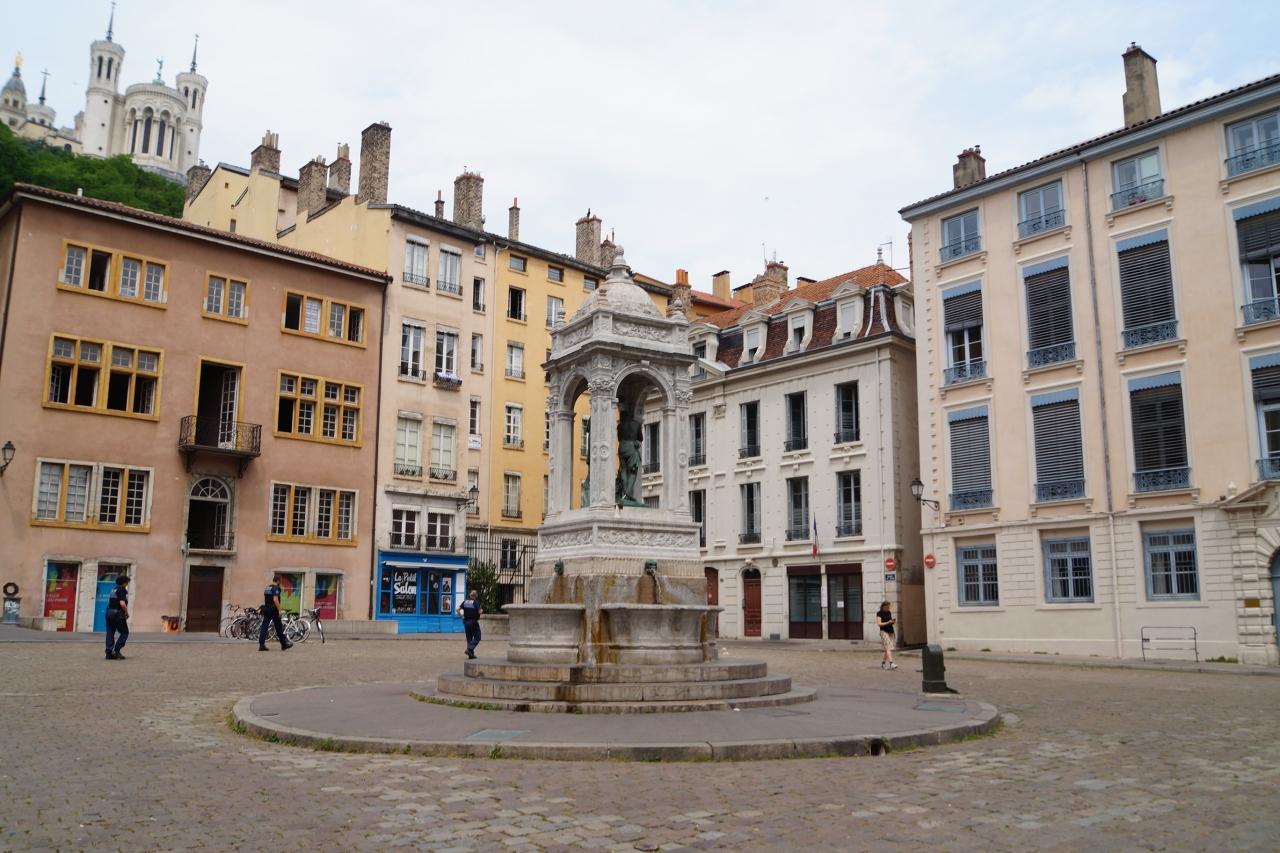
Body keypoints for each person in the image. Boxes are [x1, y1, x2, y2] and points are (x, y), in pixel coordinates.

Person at [258, 574, 293, 652]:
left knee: (264, 627)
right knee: (279, 627)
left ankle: (261, 645)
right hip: (273, 610)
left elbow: (267, 598)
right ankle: (284, 644)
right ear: (278, 580)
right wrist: (279, 610)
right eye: (280, 581)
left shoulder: (267, 587)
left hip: (266, 608)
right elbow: (275, 599)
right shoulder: (276, 588)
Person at [104, 575, 130, 660]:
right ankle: (117, 651)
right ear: (124, 583)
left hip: (109, 612)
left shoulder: (114, 589)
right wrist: (126, 612)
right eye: (127, 582)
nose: (127, 584)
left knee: (110, 632)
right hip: (117, 613)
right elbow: (122, 603)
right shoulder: (122, 589)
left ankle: (108, 652)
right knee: (124, 632)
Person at [458, 590, 482, 659]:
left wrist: (462, 617)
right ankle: (469, 649)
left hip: (466, 622)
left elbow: (457, 610)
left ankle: (470, 655)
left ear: (470, 595)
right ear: (476, 596)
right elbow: (480, 612)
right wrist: (481, 610)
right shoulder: (476, 602)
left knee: (469, 638)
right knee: (478, 637)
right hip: (473, 622)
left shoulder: (465, 602)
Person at [876, 600, 898, 670]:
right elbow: (879, 624)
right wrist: (888, 622)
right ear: (883, 607)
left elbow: (890, 621)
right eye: (887, 607)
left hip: (890, 631)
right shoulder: (879, 613)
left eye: (889, 607)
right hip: (883, 631)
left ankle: (883, 663)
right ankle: (891, 663)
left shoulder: (889, 612)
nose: (888, 608)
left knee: (887, 649)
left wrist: (892, 622)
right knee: (888, 647)